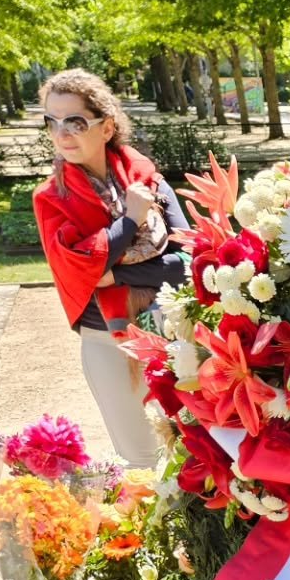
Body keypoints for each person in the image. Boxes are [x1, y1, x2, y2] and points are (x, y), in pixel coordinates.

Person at [32, 69, 188, 468]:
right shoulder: (52, 199)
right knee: (141, 459)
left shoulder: (147, 180)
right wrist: (132, 221)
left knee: (194, 452)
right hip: (107, 344)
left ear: (106, 127)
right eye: (52, 122)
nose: (62, 133)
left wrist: (114, 274)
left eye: (75, 121)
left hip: (172, 333)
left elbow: (187, 261)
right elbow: (76, 271)